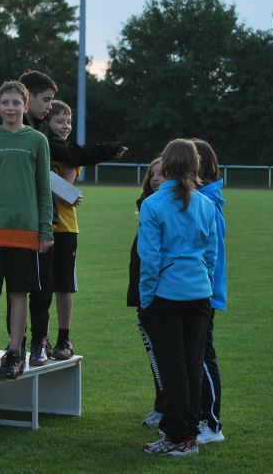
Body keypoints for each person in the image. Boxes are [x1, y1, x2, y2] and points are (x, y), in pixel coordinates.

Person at [6, 70, 127, 367]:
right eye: (46, 100)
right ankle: (14, 346)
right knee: (17, 288)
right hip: (16, 222)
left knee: (45, 287)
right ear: (29, 97)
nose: (49, 107)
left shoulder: (43, 132)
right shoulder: (7, 132)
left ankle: (40, 342)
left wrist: (105, 151)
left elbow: (72, 154)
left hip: (49, 226)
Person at [0, 81, 53, 379]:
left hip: (25, 232)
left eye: (16, 102)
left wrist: (45, 230)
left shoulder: (38, 140)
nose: (10, 108)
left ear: (26, 106)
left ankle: (15, 352)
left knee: (19, 293)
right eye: (5, 102)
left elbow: (44, 188)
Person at [138, 139, 217, 456]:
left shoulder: (153, 204)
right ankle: (188, 436)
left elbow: (150, 259)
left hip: (166, 296)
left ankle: (177, 438)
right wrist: (203, 282)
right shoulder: (205, 204)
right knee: (192, 367)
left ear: (167, 164)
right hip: (199, 295)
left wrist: (146, 299)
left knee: (173, 370)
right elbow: (210, 255)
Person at [192, 138, 227, 444]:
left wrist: (205, 290)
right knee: (195, 355)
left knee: (204, 355)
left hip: (204, 292)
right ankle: (198, 418)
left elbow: (211, 254)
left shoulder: (208, 203)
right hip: (195, 290)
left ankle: (212, 425)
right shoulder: (199, 199)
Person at [127, 156, 165, 427]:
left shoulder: (165, 209)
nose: (155, 178)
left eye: (161, 174)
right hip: (146, 290)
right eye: (152, 174)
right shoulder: (147, 206)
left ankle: (164, 407)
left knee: (162, 352)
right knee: (156, 352)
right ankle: (163, 405)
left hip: (159, 292)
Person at [45, 100, 83, 360]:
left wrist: (41, 176)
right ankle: (42, 338)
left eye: (69, 122)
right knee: (41, 288)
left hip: (65, 228)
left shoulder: (71, 156)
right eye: (60, 121)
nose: (66, 126)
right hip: (40, 228)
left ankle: (64, 338)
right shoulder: (38, 148)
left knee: (64, 287)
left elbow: (64, 193)